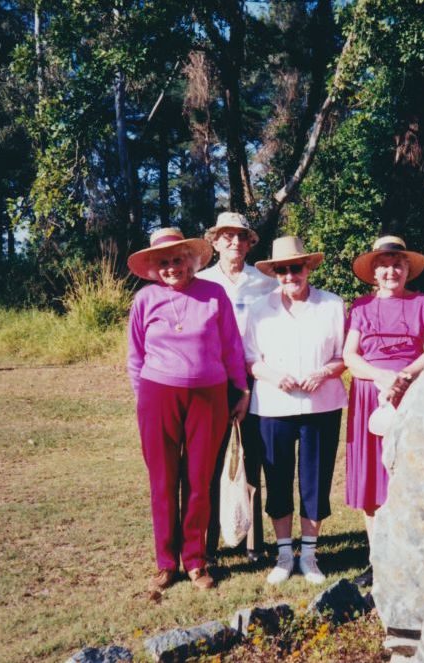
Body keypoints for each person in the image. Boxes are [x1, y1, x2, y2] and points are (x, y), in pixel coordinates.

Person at [126, 227, 249, 593]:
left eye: (177, 260)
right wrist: (144, 398)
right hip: (158, 395)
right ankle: (166, 563)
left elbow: (231, 348)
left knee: (199, 480)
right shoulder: (145, 300)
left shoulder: (214, 295)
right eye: (163, 262)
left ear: (191, 261)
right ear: (153, 267)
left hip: (209, 396)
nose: (171, 267)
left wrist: (240, 390)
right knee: (163, 480)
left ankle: (195, 560)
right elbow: (135, 356)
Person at [243, 236, 348, 585]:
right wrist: (274, 376)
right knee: (277, 478)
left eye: (296, 268)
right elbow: (250, 359)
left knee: (315, 480)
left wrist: (325, 372)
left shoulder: (332, 305)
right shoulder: (259, 308)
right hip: (274, 406)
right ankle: (285, 554)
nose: (290, 275)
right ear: (275, 273)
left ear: (308, 268)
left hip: (322, 404)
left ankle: (311, 556)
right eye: (283, 270)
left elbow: (345, 355)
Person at [343, 235, 424, 587]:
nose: (391, 270)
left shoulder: (423, 304)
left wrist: (404, 375)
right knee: (372, 479)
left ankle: (414, 555)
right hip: (371, 394)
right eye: (384, 264)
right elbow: (350, 356)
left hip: (411, 393)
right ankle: (377, 559)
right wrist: (381, 375)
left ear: (408, 269)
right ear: (373, 272)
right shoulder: (361, 307)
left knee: (411, 475)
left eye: (398, 264)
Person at [199, 212, 277, 564]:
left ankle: (253, 543)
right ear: (214, 242)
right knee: (212, 463)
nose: (234, 242)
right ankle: (209, 545)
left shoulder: (265, 283)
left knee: (252, 459)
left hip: (254, 379)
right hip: (212, 380)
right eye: (227, 236)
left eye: (241, 237)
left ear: (249, 243)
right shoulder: (199, 280)